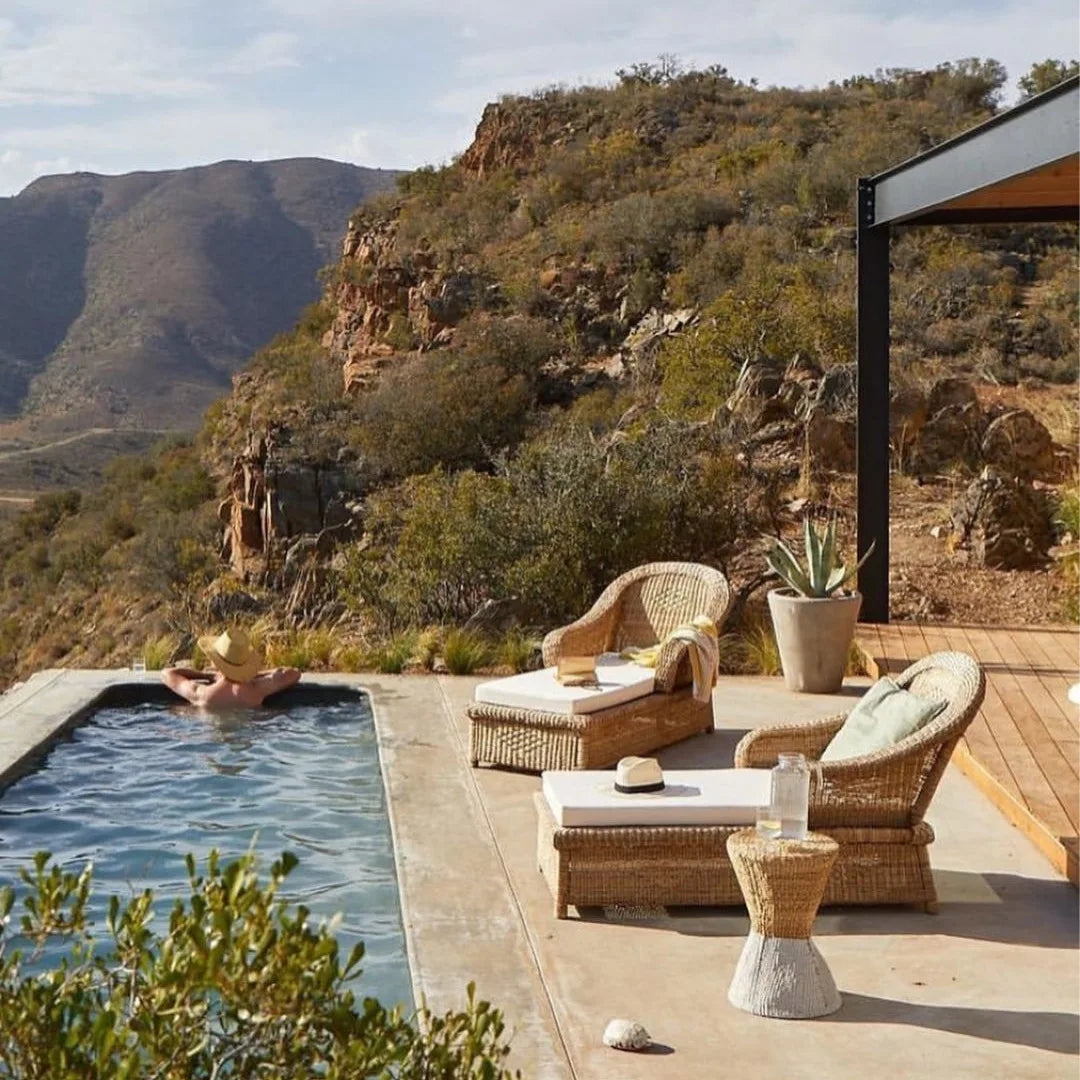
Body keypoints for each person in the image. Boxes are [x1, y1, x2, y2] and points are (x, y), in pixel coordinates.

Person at [162, 628, 300, 710]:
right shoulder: (257, 690)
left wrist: (207, 676)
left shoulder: (201, 694)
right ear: (244, 664)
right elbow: (293, 673)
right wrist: (251, 675)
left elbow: (167, 674)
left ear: (217, 663)